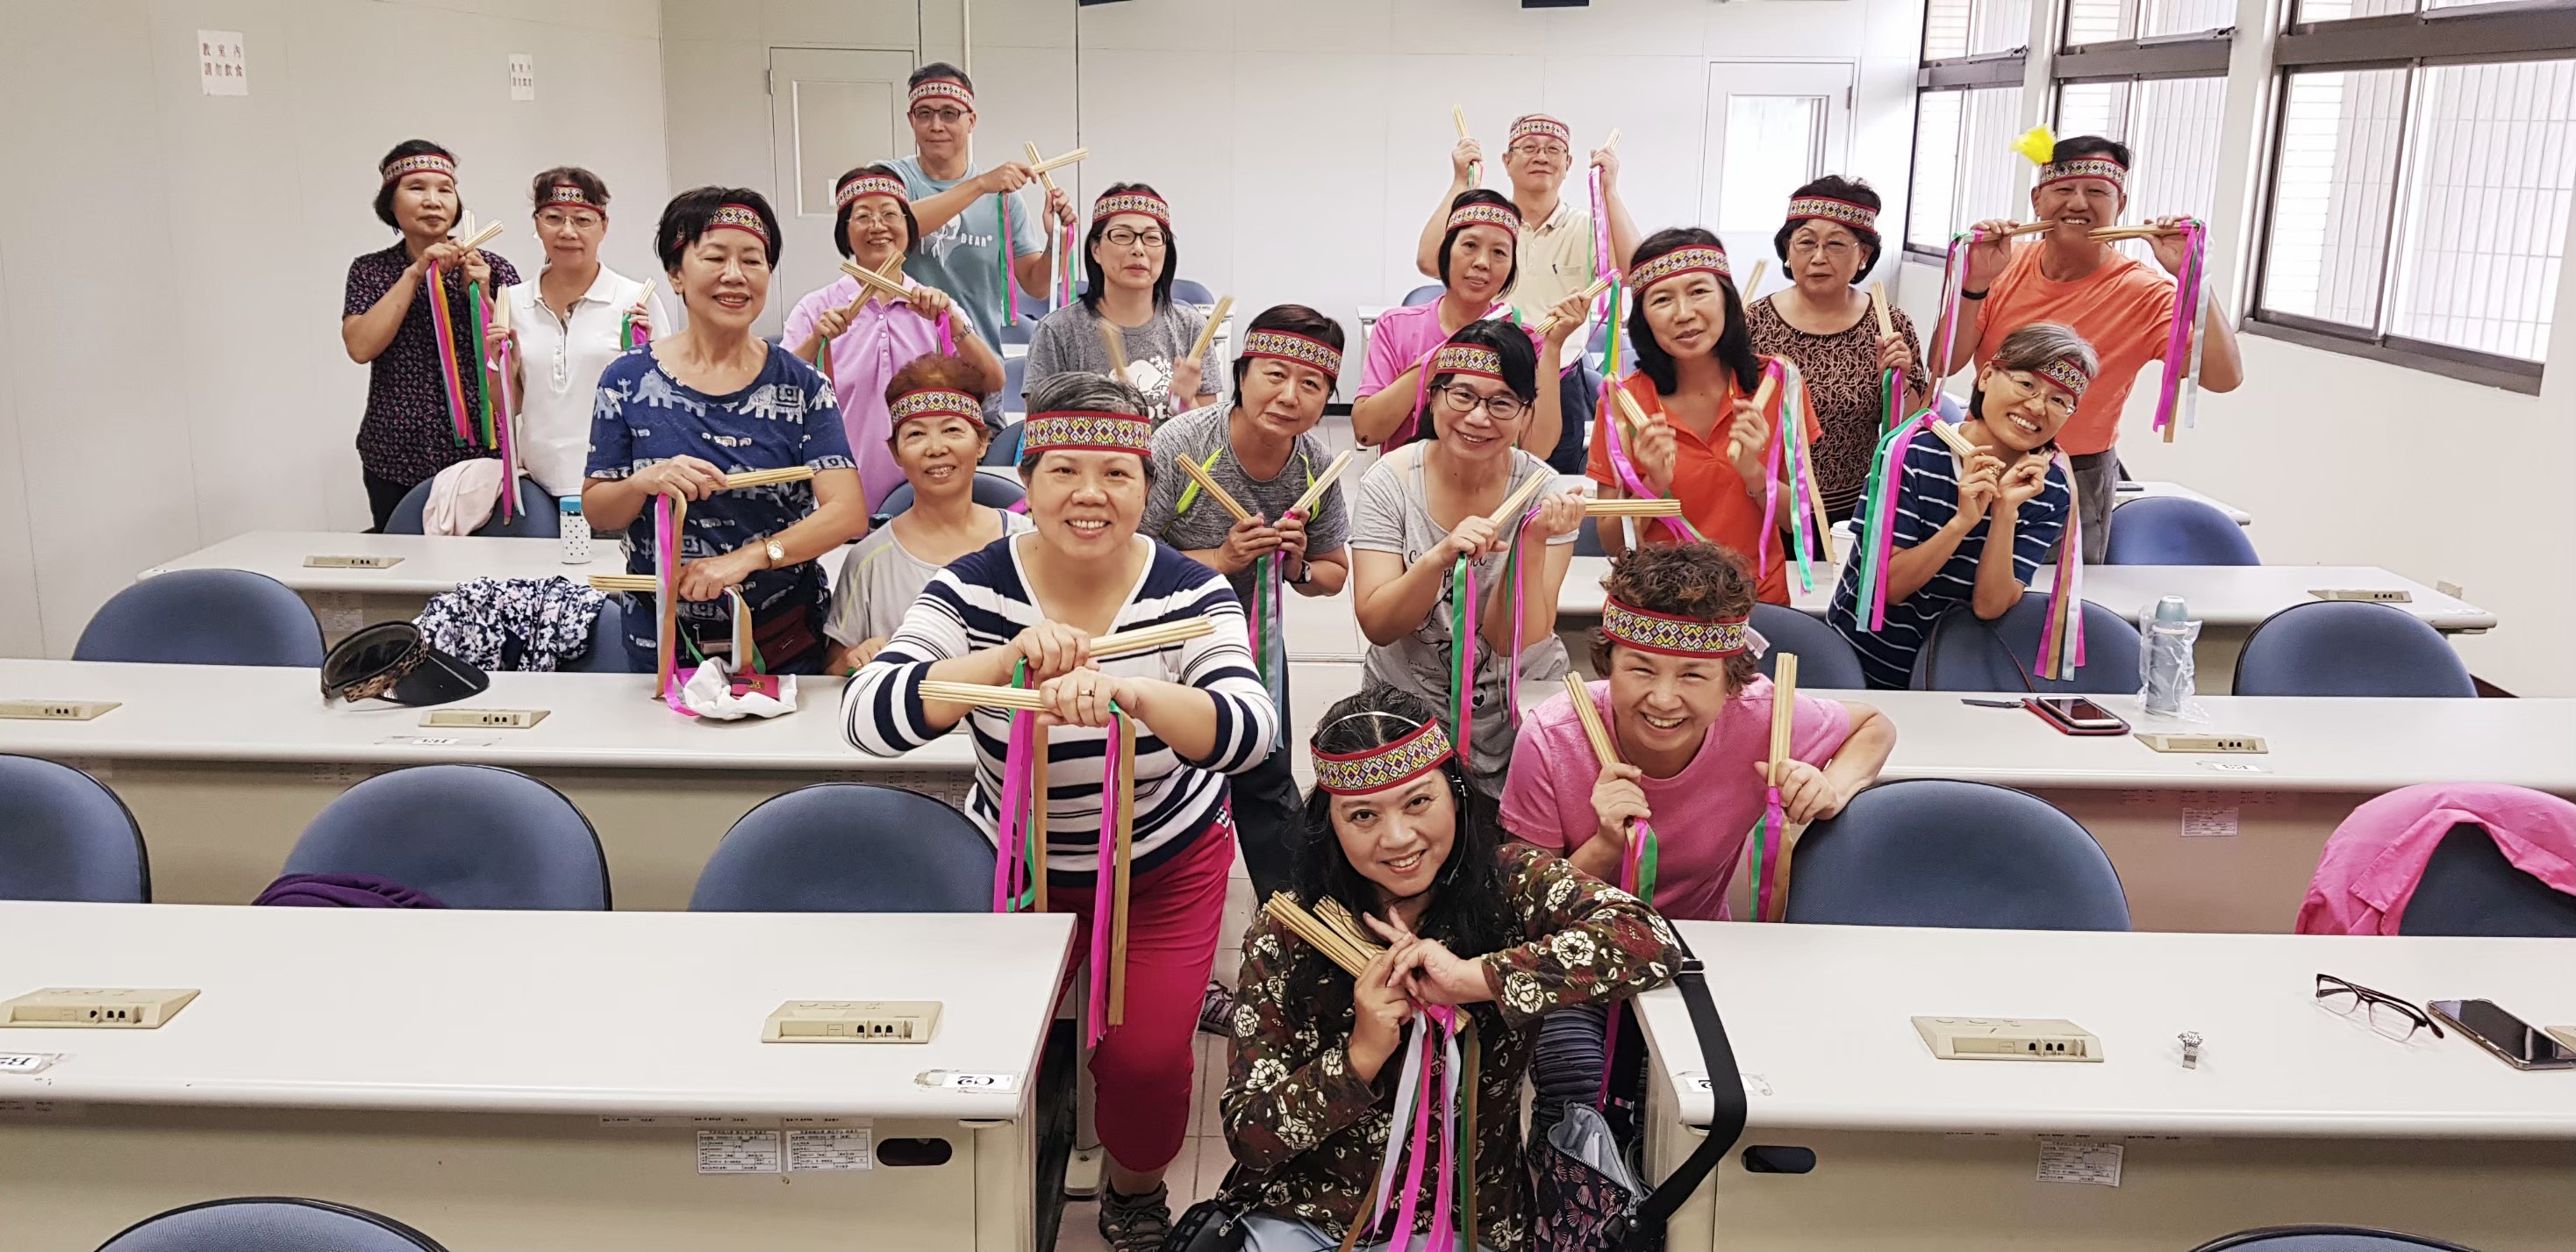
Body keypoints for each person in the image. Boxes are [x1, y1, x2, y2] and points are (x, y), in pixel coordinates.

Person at [843, 372, 1277, 1252]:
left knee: (1145, 1061)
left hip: (1162, 864)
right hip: (1018, 864)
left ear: (1147, 487)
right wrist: (1005, 659)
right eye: (1064, 471)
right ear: (1027, 482)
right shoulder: (969, 587)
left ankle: (1133, 1189)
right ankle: (998, 1198)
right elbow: (868, 715)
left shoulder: (1192, 592)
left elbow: (1248, 730)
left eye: (1116, 473)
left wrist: (1133, 694)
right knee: (994, 1049)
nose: (1089, 494)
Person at [1218, 687, 1679, 1252]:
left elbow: (1649, 940)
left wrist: (1475, 979)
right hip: (1314, 1217)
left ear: (1457, 795)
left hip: (1475, 1217)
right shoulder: (1291, 930)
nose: (1397, 838)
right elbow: (1250, 1136)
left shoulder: (1509, 883)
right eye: (1362, 815)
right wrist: (1359, 1056)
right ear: (1329, 824)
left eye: (1418, 802)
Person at [1501, 542, 1894, 1143]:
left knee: (1730, 1105)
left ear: (1731, 680)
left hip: (1699, 954)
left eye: (1692, 675)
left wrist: (1830, 786)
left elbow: (1874, 727)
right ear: (1608, 663)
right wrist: (1605, 845)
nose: (1664, 698)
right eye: (1640, 669)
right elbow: (1519, 912)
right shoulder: (1554, 737)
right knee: (1577, 1091)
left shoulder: (1764, 718)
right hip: (1579, 960)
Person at [583, 189, 869, 676]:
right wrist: (642, 482)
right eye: (715, 257)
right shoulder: (626, 379)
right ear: (676, 274)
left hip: (780, 637)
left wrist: (749, 558)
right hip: (661, 637)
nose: (735, 275)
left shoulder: (802, 385)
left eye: (752, 260)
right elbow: (598, 508)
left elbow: (847, 513)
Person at [1937, 135, 2244, 562]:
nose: (2078, 203)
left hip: (2075, 472)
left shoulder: (2143, 291)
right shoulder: (2000, 265)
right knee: (1951, 582)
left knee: (2057, 598)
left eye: (2097, 191)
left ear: (2121, 204)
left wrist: (2194, 279)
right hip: (1979, 458)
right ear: (2037, 200)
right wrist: (1973, 284)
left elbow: (2224, 378)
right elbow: (1943, 364)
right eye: (2064, 189)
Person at [1141, 304, 1353, 901]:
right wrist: (1221, 558)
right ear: (1240, 374)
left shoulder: (1315, 466)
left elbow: (1334, 575)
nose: (1289, 396)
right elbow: (1128, 555)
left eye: (1311, 384)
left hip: (1254, 637)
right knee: (1167, 777)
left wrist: (1295, 565)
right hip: (1163, 634)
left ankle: (1292, 924)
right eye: (1274, 374)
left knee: (1266, 775)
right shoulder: (1182, 442)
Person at [1351, 321, 1587, 799]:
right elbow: (1378, 623)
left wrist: (1529, 542)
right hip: (1407, 703)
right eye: (1462, 396)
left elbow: (1512, 640)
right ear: (1432, 398)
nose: (1478, 417)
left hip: (1518, 699)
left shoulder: (1543, 492)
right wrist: (1437, 558)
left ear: (1526, 414)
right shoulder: (1390, 482)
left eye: (1502, 403)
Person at [1829, 322, 2092, 690]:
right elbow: (1886, 588)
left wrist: (2005, 514)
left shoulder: (2050, 488)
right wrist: (1961, 522)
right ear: (1986, 377)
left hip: (1956, 676)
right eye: (2026, 384)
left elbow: (1989, 606)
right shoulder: (1910, 453)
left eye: (2059, 401)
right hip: (1864, 666)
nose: (2036, 407)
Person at [1585, 229, 1823, 607]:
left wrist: (1754, 473)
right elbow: (1613, 543)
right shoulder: (1622, 401)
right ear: (1643, 319)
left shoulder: (1775, 384)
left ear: (1726, 299)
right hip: (1656, 610)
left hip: (1755, 606)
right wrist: (1652, 483)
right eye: (1662, 299)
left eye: (1698, 291)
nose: (1684, 314)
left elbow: (1801, 522)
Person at [784, 164, 1006, 512]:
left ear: (908, 227)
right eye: (863, 216)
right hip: (841, 497)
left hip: (931, 493)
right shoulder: (816, 309)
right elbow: (779, 394)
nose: (878, 226)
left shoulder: (935, 306)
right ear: (845, 232)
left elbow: (993, 380)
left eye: (890, 214)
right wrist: (816, 339)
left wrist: (952, 322)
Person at [341, 140, 522, 530]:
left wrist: (484, 294)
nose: (432, 201)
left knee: (490, 559)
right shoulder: (370, 271)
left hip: (483, 453)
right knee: (403, 558)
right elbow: (360, 346)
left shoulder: (493, 268)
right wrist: (415, 272)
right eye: (416, 188)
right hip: (394, 452)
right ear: (390, 203)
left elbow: (518, 358)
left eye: (444, 190)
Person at [821, 355, 1029, 675]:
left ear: (982, 442)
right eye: (916, 435)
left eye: (952, 430)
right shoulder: (869, 561)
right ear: (896, 452)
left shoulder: (1025, 543)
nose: (935, 448)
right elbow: (832, 669)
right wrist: (853, 658)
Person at [1746, 177, 1929, 520]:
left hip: (1855, 510)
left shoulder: (1890, 324)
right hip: (1765, 504)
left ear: (1864, 254)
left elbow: (1910, 430)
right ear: (1787, 249)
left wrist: (1898, 382)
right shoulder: (1751, 321)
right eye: (1806, 242)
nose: (1818, 257)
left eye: (1835, 245)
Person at [487, 167, 669, 501]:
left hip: (615, 485)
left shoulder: (636, 301)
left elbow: (663, 401)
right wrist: (506, 371)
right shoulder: (511, 302)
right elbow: (506, 406)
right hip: (538, 485)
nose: (567, 231)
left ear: (604, 226)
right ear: (537, 224)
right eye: (553, 218)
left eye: (583, 220)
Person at [1357, 192, 1587, 456]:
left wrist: (1553, 346)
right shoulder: (1396, 327)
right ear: (1447, 252)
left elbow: (1537, 449)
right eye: (1470, 246)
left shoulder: (1525, 341)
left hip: (1492, 481)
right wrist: (1442, 357)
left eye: (1499, 252)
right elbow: (1367, 431)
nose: (1482, 263)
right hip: (1407, 480)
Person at [1413, 114, 1642, 374]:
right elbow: (1429, 262)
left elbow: (1633, 273)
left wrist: (1609, 189)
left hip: (1560, 373)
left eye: (1553, 149)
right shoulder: (1490, 224)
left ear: (1568, 163)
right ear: (1507, 161)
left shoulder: (1588, 230)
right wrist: (1460, 181)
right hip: (1486, 371)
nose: (1541, 157)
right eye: (1529, 147)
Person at [884, 63, 1073, 348]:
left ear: (971, 120)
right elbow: (896, 226)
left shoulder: (1003, 200)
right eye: (924, 114)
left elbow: (1036, 286)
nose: (936, 126)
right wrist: (980, 185)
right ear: (911, 120)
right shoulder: (890, 179)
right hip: (904, 361)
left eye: (949, 114)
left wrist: (1055, 240)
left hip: (978, 361)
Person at [1025, 184, 1221, 424]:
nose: (1138, 249)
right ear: (1096, 250)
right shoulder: (1057, 331)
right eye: (1122, 236)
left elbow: (1207, 437)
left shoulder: (1191, 328)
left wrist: (1185, 402)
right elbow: (1038, 431)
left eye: (1152, 238)